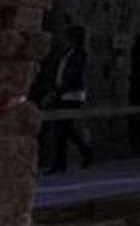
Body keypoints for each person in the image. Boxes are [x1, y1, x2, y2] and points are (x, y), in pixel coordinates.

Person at [46, 26, 94, 174]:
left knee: (61, 129)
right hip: (64, 93)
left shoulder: (80, 54)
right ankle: (84, 154)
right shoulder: (68, 53)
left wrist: (58, 92)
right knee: (64, 130)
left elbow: (73, 77)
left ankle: (61, 164)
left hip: (71, 95)